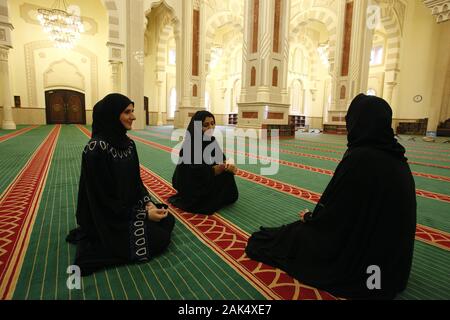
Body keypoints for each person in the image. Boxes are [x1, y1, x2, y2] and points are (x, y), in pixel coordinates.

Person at [245, 94, 417, 300]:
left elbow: (336, 214)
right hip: (390, 267)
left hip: (361, 258)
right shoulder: (397, 156)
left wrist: (311, 218)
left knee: (273, 239)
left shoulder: (360, 157)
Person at [66, 93, 175, 276]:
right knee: (160, 238)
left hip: (128, 208)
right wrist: (144, 214)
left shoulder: (129, 144)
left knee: (167, 218)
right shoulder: (95, 149)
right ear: (112, 115)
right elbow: (102, 200)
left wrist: (147, 203)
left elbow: (136, 182)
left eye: (132, 111)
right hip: (107, 217)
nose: (133, 116)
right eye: (127, 112)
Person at [168, 111, 239, 215]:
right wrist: (214, 170)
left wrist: (228, 165)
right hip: (190, 184)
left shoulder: (211, 140)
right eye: (206, 125)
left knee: (227, 174)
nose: (211, 127)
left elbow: (221, 158)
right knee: (206, 203)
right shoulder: (190, 144)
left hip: (207, 177)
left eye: (212, 123)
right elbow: (192, 173)